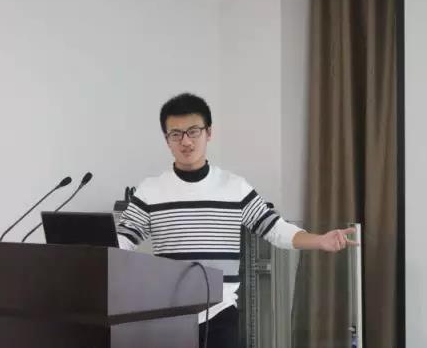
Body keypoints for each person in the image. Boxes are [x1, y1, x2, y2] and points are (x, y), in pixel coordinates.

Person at [117, 93, 358, 348]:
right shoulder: (151, 190)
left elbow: (274, 228)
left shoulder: (234, 187)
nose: (185, 141)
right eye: (176, 134)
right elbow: (122, 240)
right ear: (167, 140)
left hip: (220, 313)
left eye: (193, 131)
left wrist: (319, 240)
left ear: (209, 133)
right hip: (169, 316)